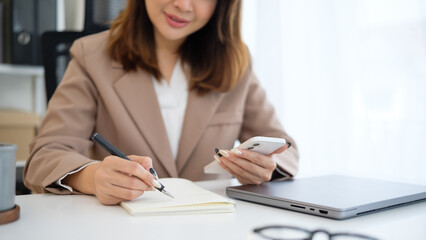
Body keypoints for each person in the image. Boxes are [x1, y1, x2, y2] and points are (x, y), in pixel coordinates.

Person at [23, 0, 299, 205]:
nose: (182, 4)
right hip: (120, 226)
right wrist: (93, 176)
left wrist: (266, 166)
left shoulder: (236, 61)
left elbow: (285, 149)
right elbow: (45, 156)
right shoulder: (91, 55)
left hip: (211, 225)